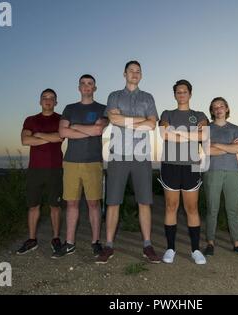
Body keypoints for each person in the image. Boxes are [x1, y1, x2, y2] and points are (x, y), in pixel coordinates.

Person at [97, 60, 160, 264]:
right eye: (131, 71)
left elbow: (152, 125)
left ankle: (147, 245)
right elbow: (113, 120)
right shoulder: (114, 96)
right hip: (118, 156)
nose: (135, 73)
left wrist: (126, 120)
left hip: (141, 156)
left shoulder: (148, 97)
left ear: (141, 75)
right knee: (113, 201)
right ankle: (108, 245)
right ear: (124, 74)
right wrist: (139, 121)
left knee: (144, 202)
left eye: (138, 71)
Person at [52, 74, 108, 258]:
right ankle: (69, 243)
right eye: (83, 83)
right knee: (72, 203)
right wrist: (86, 129)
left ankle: (95, 242)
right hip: (71, 162)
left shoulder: (102, 109)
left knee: (93, 203)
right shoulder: (69, 108)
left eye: (90, 83)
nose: (86, 86)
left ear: (95, 88)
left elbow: (98, 130)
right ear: (78, 87)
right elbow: (62, 131)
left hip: (93, 162)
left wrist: (75, 127)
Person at [158, 79, 209, 264]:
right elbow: (164, 134)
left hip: (192, 165)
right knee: (171, 207)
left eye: (184, 91)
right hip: (170, 164)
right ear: (174, 95)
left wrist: (177, 134)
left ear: (190, 94)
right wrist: (191, 134)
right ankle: (170, 248)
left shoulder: (200, 114)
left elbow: (203, 135)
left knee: (192, 208)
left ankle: (195, 250)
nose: (181, 95)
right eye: (178, 92)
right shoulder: (167, 113)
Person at [17, 88, 63, 255]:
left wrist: (38, 135)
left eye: (51, 98)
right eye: (45, 97)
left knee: (55, 206)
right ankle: (32, 239)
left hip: (55, 169)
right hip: (35, 170)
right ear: (40, 101)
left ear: (56, 102)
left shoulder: (61, 119)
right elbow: (25, 140)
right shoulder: (31, 119)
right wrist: (48, 137)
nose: (48, 100)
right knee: (33, 206)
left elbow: (60, 137)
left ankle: (56, 238)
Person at [202, 97, 238, 257]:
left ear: (227, 108)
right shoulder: (207, 128)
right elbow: (207, 150)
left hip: (232, 173)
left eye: (221, 106)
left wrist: (217, 145)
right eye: (215, 107)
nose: (218, 109)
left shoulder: (236, 128)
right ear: (212, 111)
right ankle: (210, 243)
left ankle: (237, 243)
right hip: (212, 172)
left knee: (232, 210)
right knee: (212, 209)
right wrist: (229, 147)